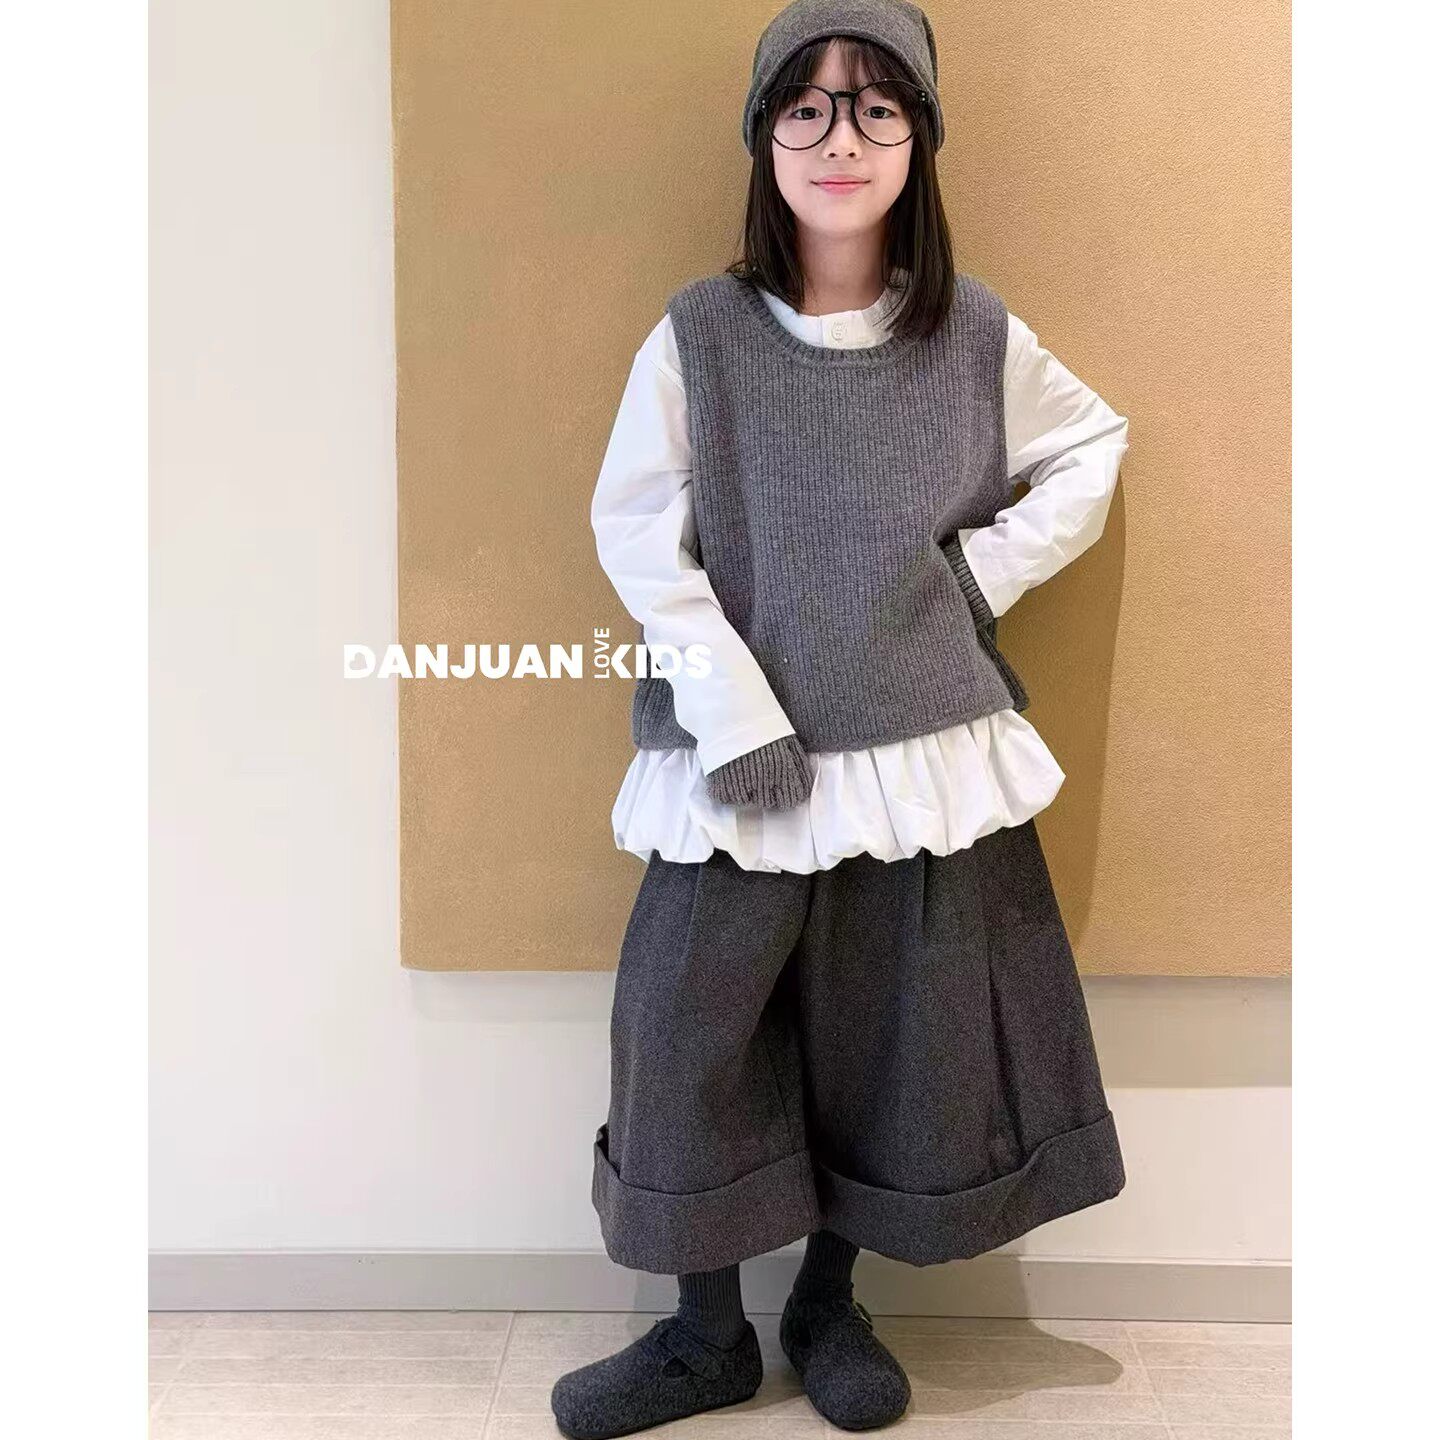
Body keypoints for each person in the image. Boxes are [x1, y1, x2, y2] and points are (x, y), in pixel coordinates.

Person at [553, 2, 1130, 1434]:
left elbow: (1091, 444)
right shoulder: (701, 335)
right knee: (687, 1033)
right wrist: (729, 706)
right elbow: (638, 532)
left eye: (878, 106)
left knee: (889, 1040)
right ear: (763, 139)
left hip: (915, 757)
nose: (840, 138)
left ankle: (828, 1304)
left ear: (919, 138)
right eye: (804, 106)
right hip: (739, 762)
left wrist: (972, 578)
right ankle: (703, 1335)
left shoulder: (972, 332)